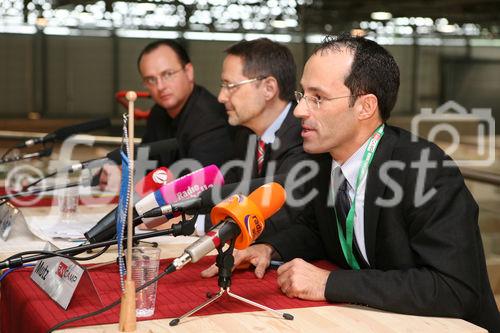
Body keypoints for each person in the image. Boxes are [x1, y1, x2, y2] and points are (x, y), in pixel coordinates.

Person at [203, 34, 500, 332]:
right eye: (302, 95)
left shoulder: (425, 170)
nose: (299, 110)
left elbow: (453, 289)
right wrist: (270, 248)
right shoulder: (324, 161)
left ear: (365, 106)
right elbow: (318, 230)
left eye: (317, 98)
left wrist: (330, 282)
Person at [202, 38, 311, 238]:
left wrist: (200, 224)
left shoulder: (304, 138)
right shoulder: (245, 135)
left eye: (230, 85)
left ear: (269, 88)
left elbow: (283, 216)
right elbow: (229, 193)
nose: (221, 97)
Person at [99, 39, 234, 190]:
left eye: (168, 74)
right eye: (151, 79)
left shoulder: (210, 118)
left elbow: (195, 184)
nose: (160, 86)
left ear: (189, 72)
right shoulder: (158, 113)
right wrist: (121, 173)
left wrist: (132, 183)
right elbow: (146, 163)